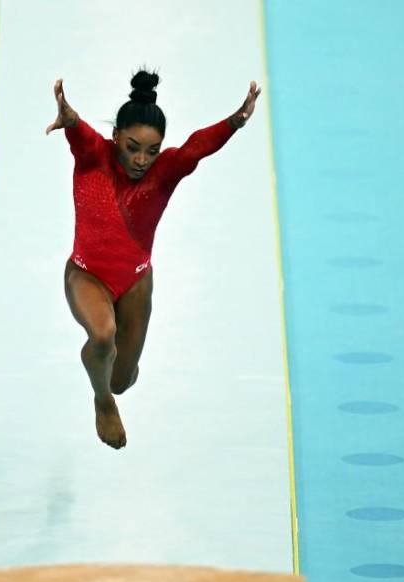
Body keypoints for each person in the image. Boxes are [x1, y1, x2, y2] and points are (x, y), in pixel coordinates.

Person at [45, 69, 260, 450]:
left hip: (136, 281)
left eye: (152, 150)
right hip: (87, 274)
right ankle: (102, 401)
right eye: (131, 147)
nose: (142, 159)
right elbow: (80, 133)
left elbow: (196, 147)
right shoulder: (95, 156)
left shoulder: (164, 173)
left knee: (122, 379)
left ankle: (113, 382)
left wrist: (234, 122)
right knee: (102, 336)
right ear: (115, 138)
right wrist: (70, 119)